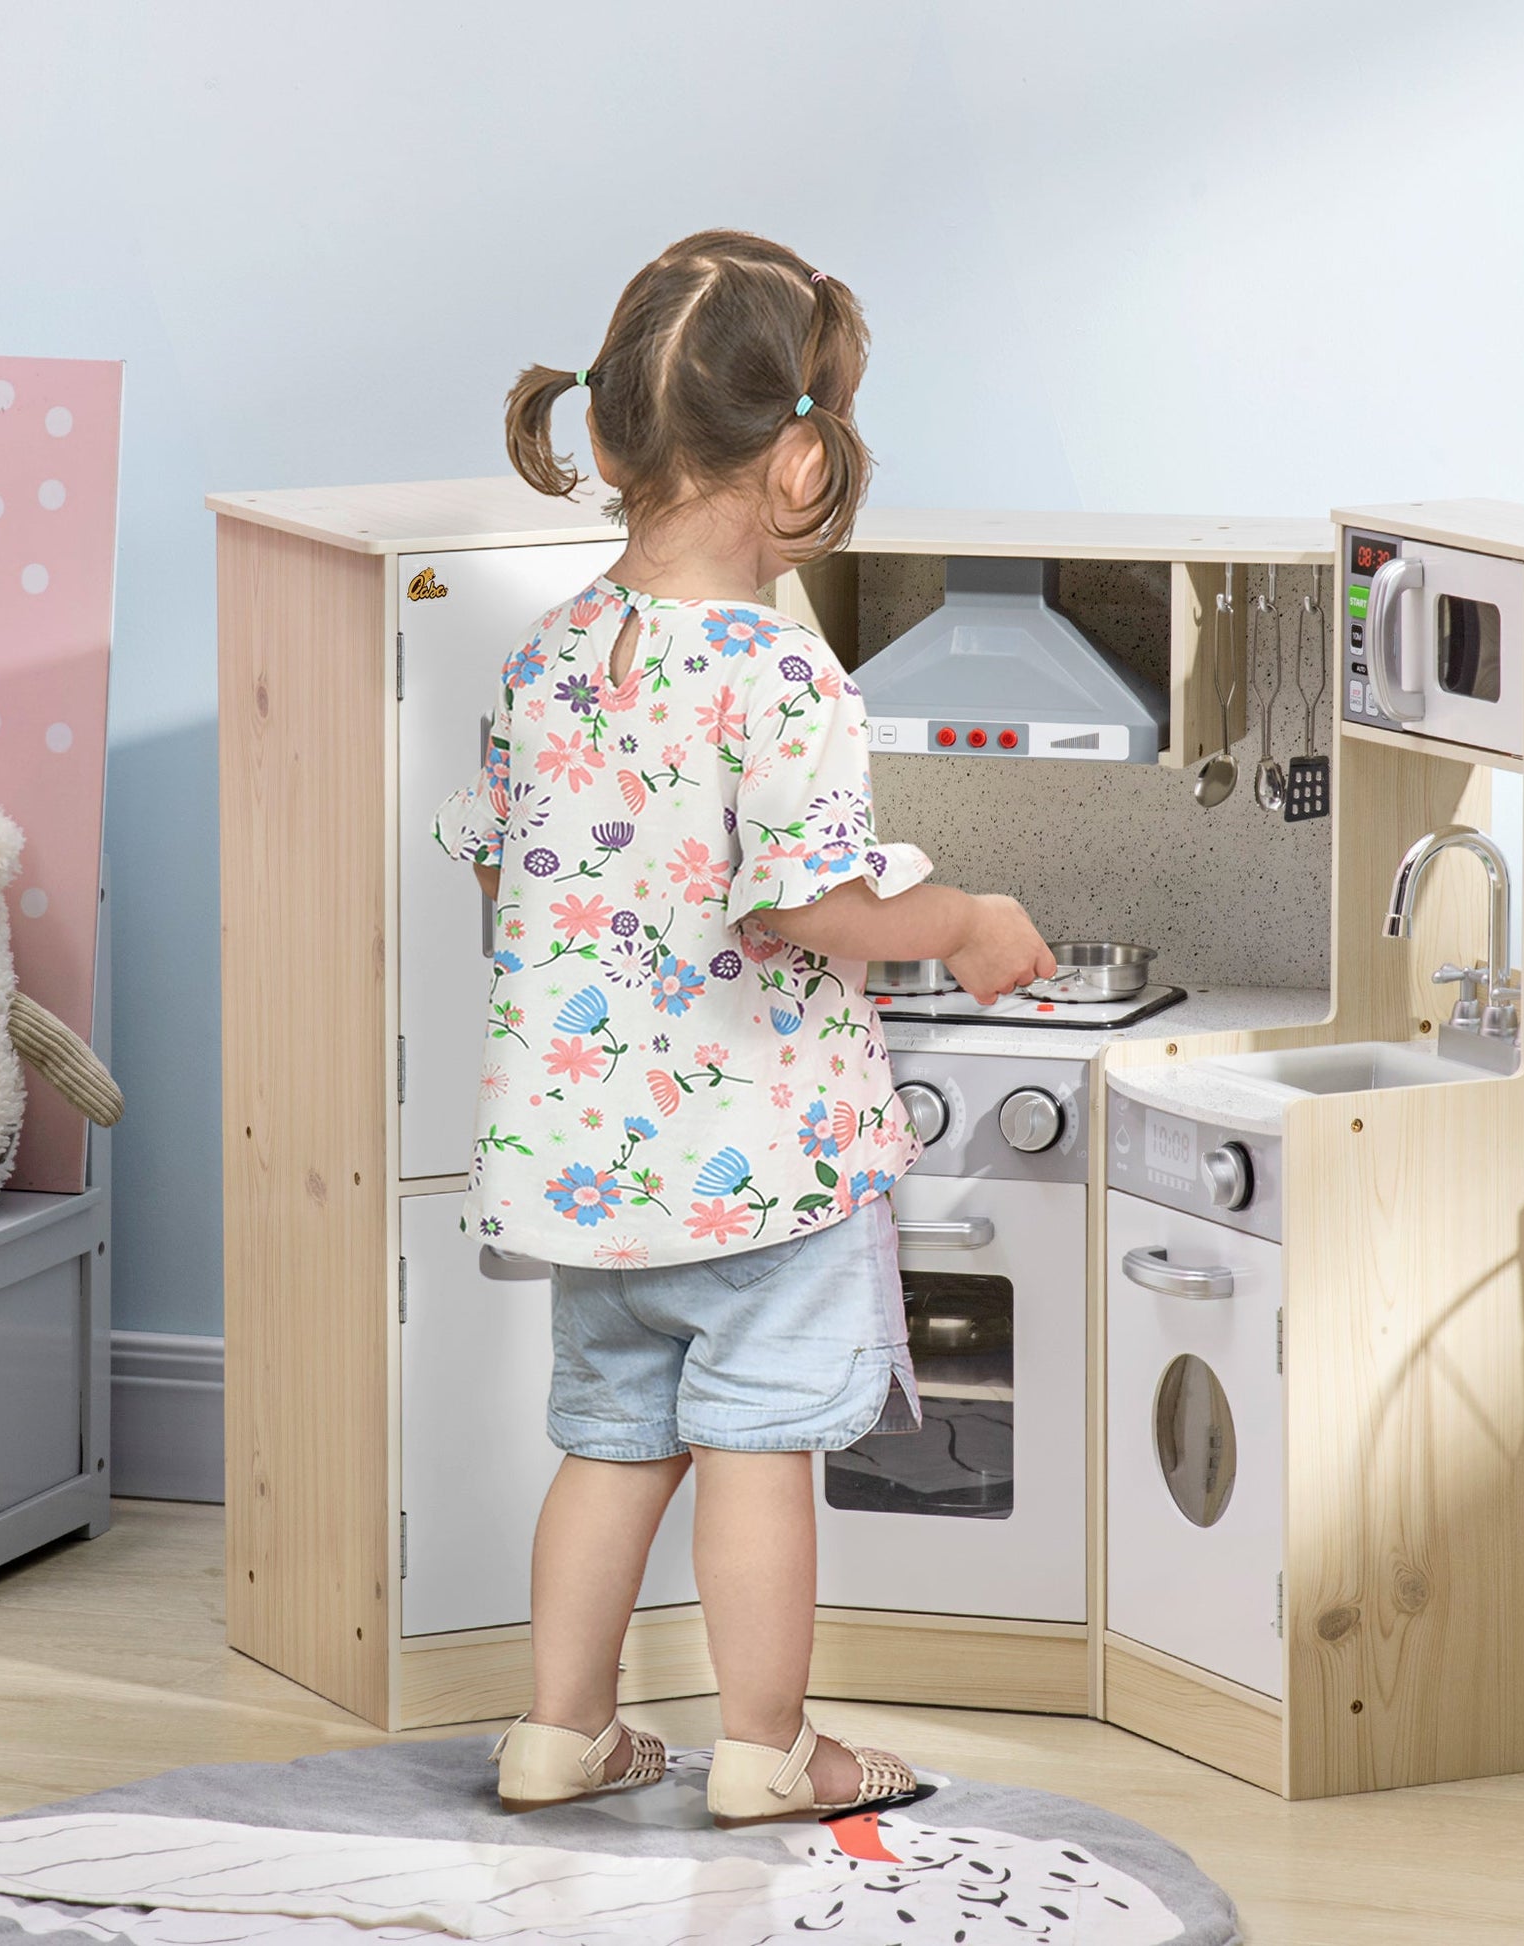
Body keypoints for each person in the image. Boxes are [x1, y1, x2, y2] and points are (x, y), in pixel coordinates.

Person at [433, 230, 1054, 1824]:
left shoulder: (555, 654)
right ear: (797, 460)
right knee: (760, 1449)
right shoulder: (779, 675)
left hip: (592, 1165)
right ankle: (768, 1750)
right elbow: (813, 907)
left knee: (614, 1445)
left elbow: (513, 881)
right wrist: (966, 919)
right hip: (762, 1161)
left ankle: (559, 1728)